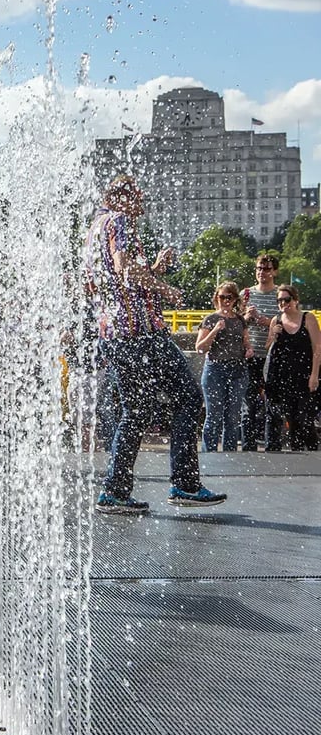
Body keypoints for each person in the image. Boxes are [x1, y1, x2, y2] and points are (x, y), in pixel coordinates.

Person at [83, 175, 226, 514]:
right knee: (189, 398)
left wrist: (155, 270)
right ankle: (185, 484)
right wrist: (164, 288)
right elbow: (123, 267)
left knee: (136, 411)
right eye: (138, 198)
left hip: (114, 335)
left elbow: (102, 283)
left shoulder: (92, 230)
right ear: (121, 197)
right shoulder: (119, 221)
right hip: (142, 333)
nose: (143, 205)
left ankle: (114, 492)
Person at [195, 281, 252, 452]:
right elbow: (200, 347)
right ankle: (209, 453)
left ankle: (230, 454)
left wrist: (248, 349)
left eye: (229, 297)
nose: (225, 301)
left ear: (235, 300)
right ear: (216, 298)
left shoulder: (240, 320)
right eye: (222, 297)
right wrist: (215, 330)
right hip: (215, 370)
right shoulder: (210, 319)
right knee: (214, 415)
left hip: (238, 370)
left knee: (233, 417)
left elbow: (246, 342)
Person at [264, 285, 321, 451]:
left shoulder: (307, 318)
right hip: (283, 376)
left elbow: (317, 348)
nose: (283, 303)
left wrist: (314, 375)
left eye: (287, 299)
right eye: (280, 300)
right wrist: (273, 335)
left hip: (304, 375)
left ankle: (312, 451)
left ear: (295, 300)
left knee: (305, 417)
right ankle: (296, 452)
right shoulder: (276, 320)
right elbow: (268, 348)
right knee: (291, 418)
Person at [241, 254, 281, 450]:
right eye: (259, 268)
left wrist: (262, 319)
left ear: (275, 271)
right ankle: (248, 445)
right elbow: (237, 322)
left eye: (266, 269)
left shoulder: (280, 294)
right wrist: (246, 317)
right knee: (248, 403)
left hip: (272, 356)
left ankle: (272, 444)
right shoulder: (246, 293)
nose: (261, 272)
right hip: (250, 355)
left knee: (273, 402)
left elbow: (284, 322)